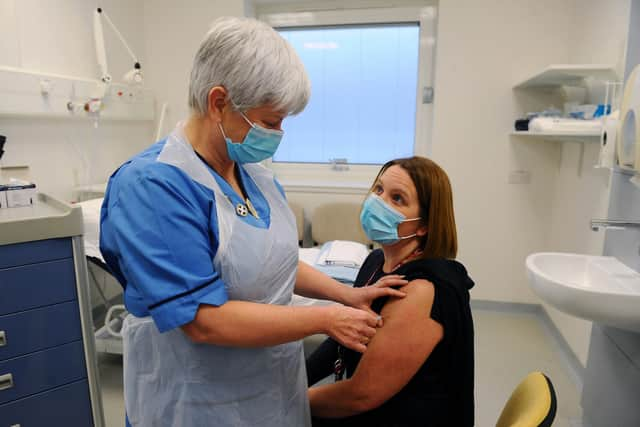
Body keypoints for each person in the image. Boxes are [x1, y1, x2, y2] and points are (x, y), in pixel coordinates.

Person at [99, 17, 406, 427]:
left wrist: (344, 296)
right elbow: (204, 320)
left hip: (270, 387)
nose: (278, 134)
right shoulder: (154, 187)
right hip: (196, 400)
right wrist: (324, 318)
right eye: (270, 121)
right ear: (219, 102)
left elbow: (272, 259)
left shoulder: (253, 171)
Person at [306, 157, 475, 426]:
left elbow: (360, 395)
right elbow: (344, 337)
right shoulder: (375, 262)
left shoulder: (422, 289)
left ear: (424, 225)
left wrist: (290, 400)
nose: (379, 202)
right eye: (379, 190)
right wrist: (298, 380)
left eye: (397, 199)